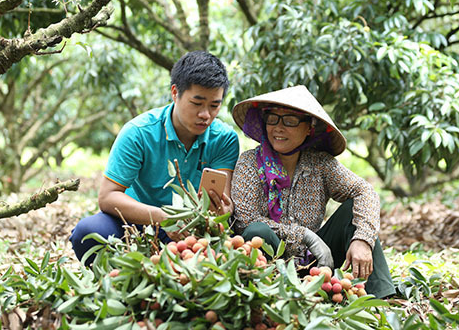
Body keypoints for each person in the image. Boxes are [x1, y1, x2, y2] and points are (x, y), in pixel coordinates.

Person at [70, 51, 240, 265]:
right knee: (88, 232)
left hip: (193, 231)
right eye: (197, 103)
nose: (206, 114)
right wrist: (164, 218)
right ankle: (121, 280)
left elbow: (223, 201)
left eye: (214, 105)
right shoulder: (139, 132)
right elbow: (108, 197)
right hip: (138, 224)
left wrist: (223, 211)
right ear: (175, 93)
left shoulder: (224, 139)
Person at [230, 85, 395, 298]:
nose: (278, 128)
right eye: (272, 119)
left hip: (317, 265)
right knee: (257, 232)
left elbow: (364, 191)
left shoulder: (320, 163)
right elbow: (246, 219)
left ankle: (383, 297)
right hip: (271, 266)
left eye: (289, 121)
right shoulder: (250, 163)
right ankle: (273, 296)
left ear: (309, 128)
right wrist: (305, 235)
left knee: (352, 210)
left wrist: (362, 239)